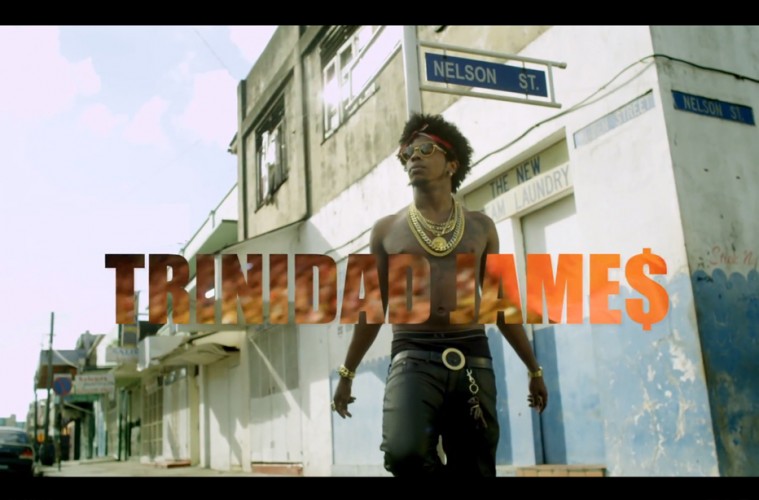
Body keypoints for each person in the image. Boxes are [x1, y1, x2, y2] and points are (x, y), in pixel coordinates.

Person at [331, 112, 548, 477]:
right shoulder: (386, 231)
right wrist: (347, 371)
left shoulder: (481, 227)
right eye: (407, 153)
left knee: (476, 466)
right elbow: (373, 308)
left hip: (472, 356)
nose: (413, 157)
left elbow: (500, 304)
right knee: (403, 454)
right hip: (412, 355)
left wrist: (533, 368)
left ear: (451, 164)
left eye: (425, 149)